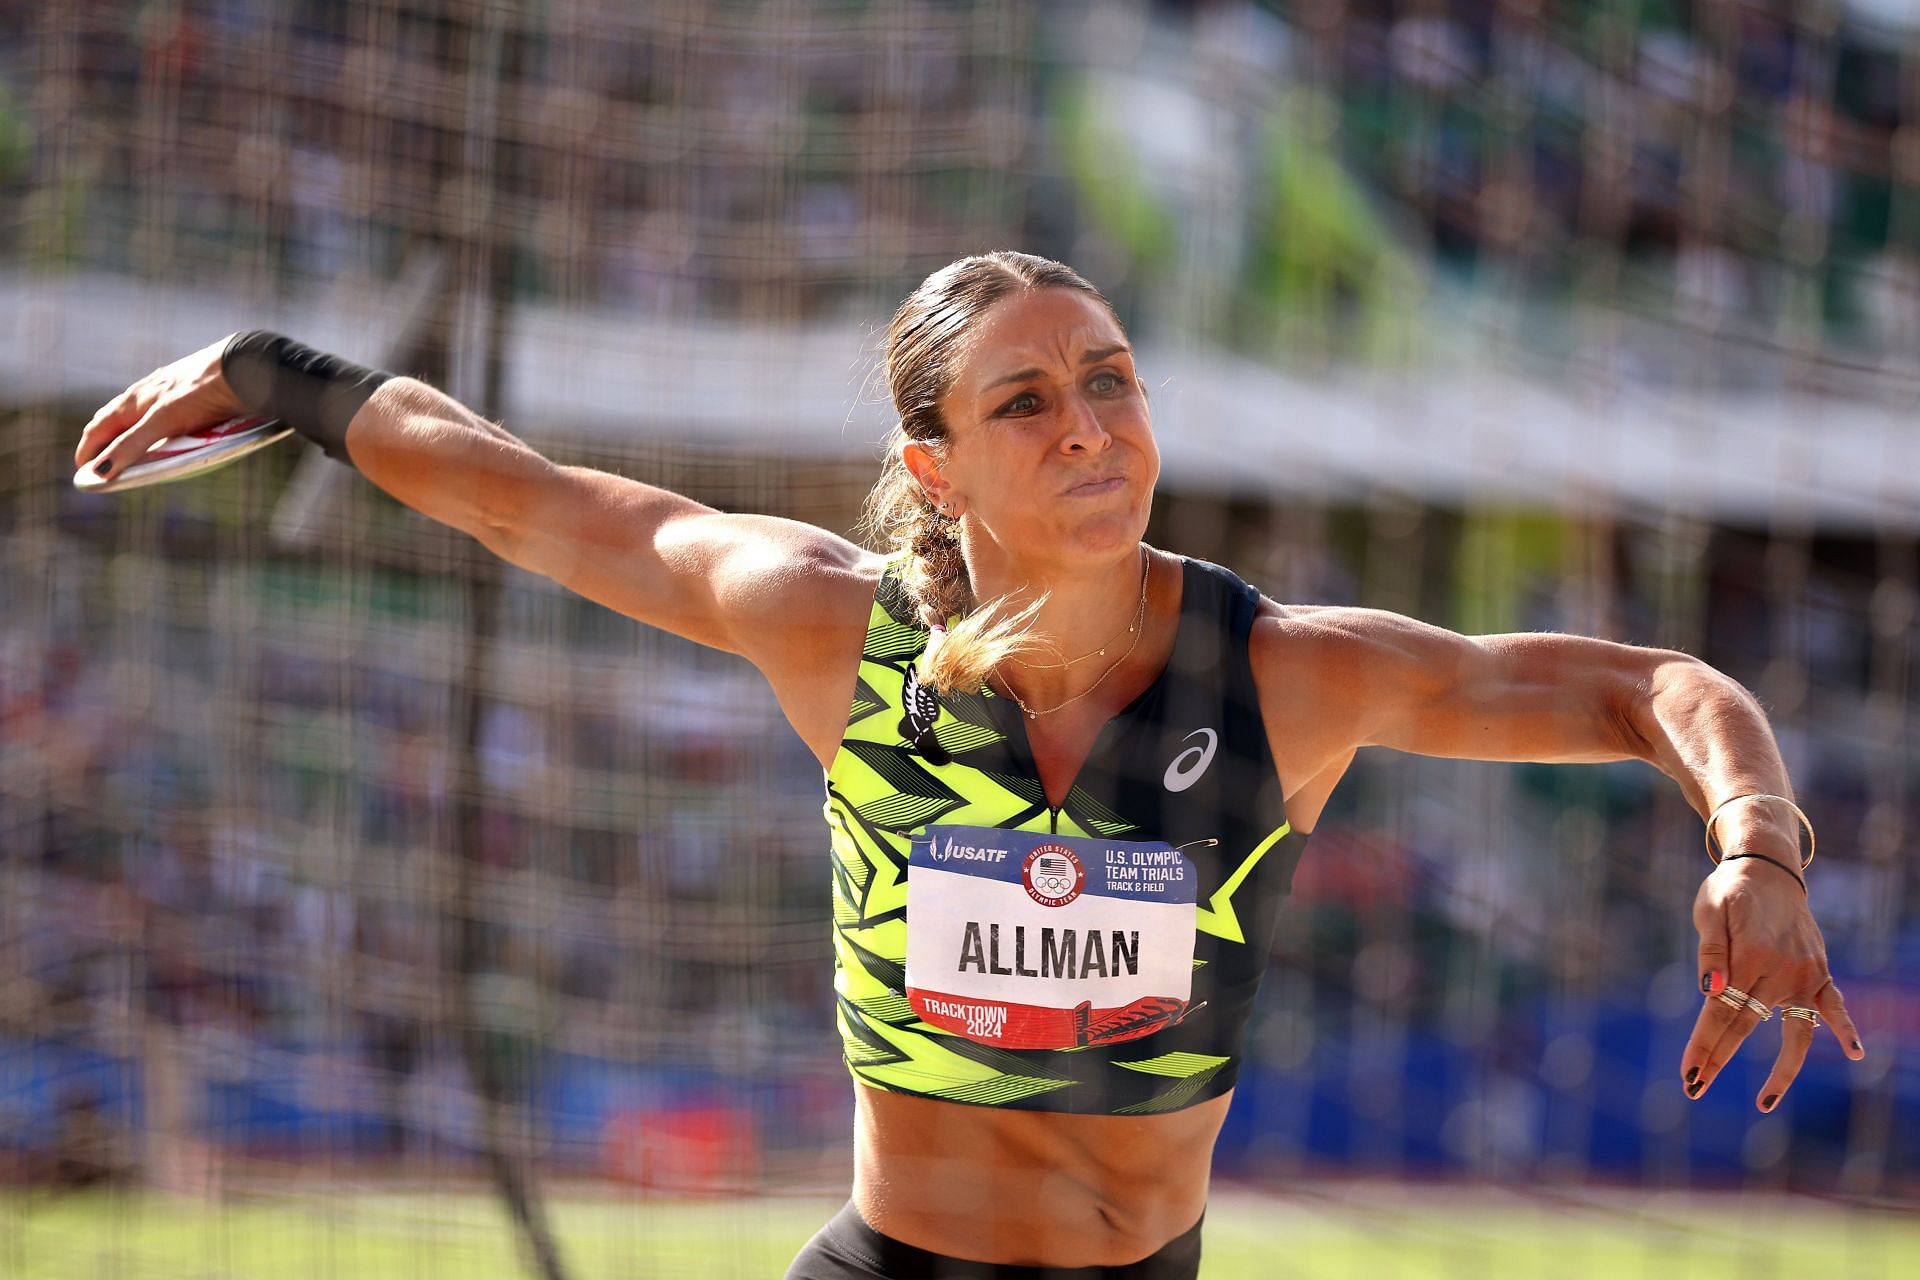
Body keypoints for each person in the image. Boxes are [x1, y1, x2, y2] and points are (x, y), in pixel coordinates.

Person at [76, 251, 1866, 1278]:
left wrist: (1758, 847)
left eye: (1111, 379)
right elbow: (526, 500)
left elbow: (1654, 684)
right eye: (1025, 401)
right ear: (931, 464)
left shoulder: (1289, 680)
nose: (1090, 423)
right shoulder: (828, 632)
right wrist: (279, 371)